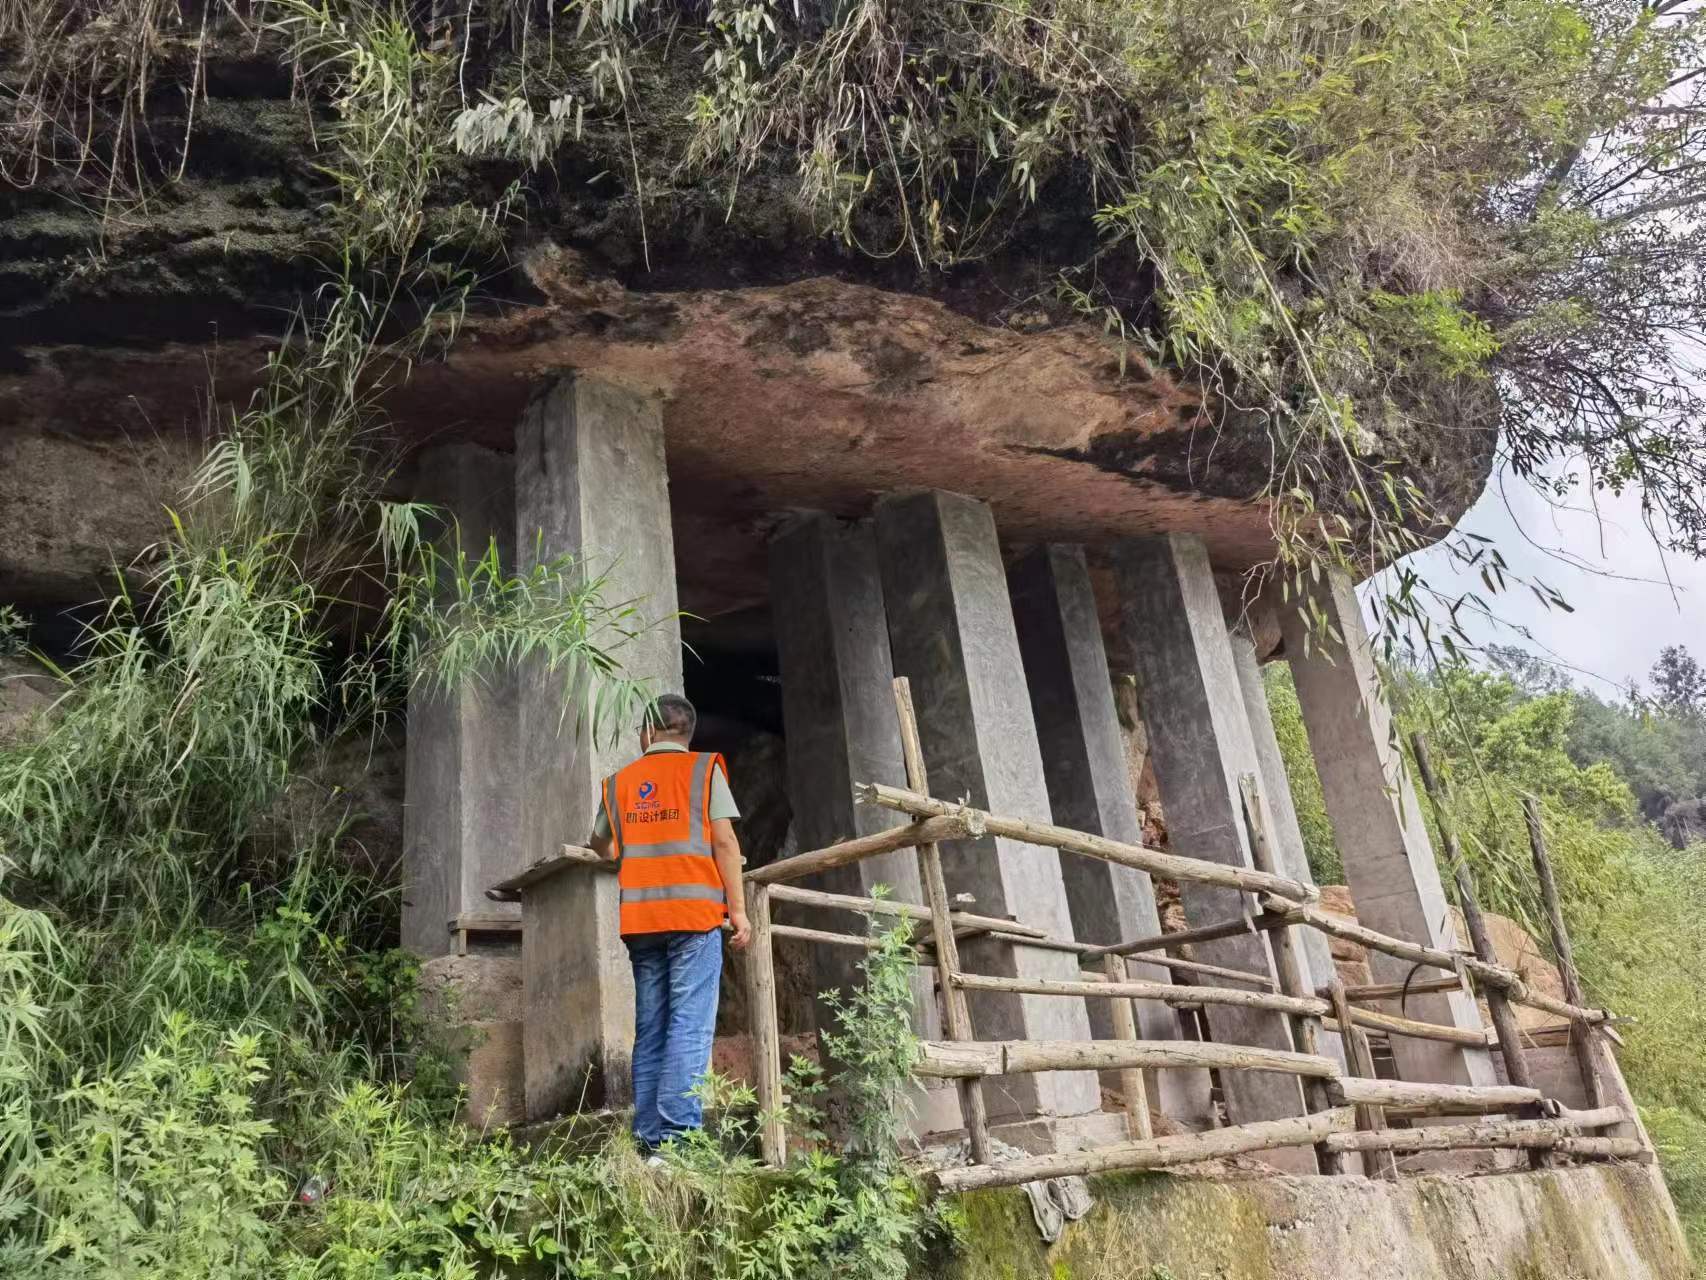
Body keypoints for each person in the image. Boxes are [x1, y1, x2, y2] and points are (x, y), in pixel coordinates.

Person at [589, 692, 750, 1154]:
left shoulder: (620, 782)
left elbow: (602, 844)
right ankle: (678, 1142)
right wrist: (737, 912)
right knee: (689, 1026)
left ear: (648, 732)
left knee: (654, 1025)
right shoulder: (704, 771)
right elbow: (724, 841)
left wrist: (631, 847)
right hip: (694, 918)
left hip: (642, 921)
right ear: (688, 733)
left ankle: (648, 1141)